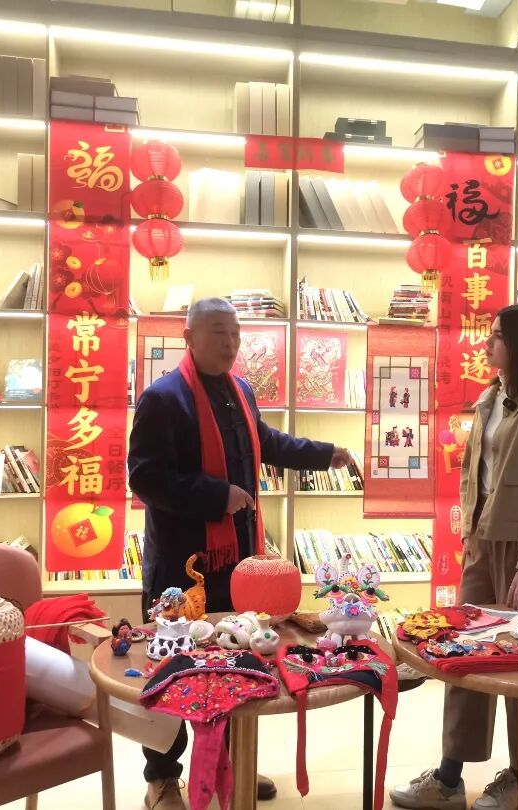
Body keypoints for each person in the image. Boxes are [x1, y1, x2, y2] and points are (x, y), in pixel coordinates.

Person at [129, 298, 350, 810]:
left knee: (234, 658)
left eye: (234, 334)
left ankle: (227, 761)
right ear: (188, 336)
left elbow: (265, 443)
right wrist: (216, 496)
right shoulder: (163, 398)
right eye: (217, 332)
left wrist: (323, 454)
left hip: (238, 563)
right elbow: (145, 478)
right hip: (182, 566)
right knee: (173, 666)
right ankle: (161, 776)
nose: (229, 344)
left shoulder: (241, 391)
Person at [389, 304, 518, 810]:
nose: (487, 343)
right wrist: (471, 534)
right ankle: (449, 777)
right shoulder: (490, 398)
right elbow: (475, 473)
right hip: (483, 543)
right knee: (464, 652)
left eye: (497, 336)